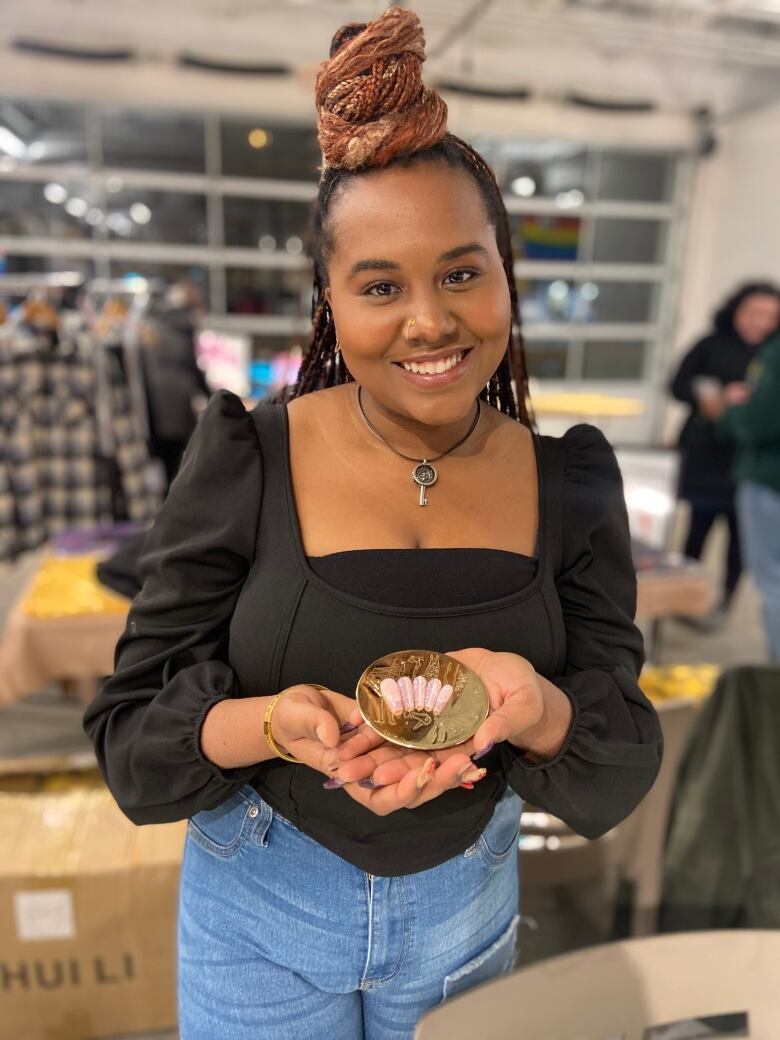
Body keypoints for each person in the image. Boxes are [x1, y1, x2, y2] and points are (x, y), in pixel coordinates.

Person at [83, 10, 662, 1039]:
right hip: (257, 902)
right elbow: (132, 736)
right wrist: (271, 724)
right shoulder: (249, 456)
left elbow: (617, 751)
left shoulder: (566, 479)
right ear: (331, 301)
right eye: (380, 285)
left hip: (470, 908)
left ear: (505, 273)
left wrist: (530, 704)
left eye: (461, 272)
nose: (430, 320)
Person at [669, 282, 780, 627]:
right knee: (697, 529)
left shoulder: (772, 354)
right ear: (736, 310)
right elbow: (677, 384)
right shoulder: (710, 344)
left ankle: (724, 602)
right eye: (754, 312)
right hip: (706, 455)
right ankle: (681, 598)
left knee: (741, 540)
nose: (760, 322)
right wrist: (713, 399)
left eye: (770, 316)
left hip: (748, 462)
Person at [716, 333, 780, 659]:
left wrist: (734, 408)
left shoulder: (774, 353)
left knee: (773, 582)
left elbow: (757, 422)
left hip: (770, 480)